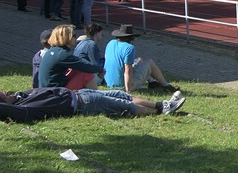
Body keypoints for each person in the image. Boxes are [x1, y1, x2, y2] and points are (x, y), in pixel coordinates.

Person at [0, 87, 185, 122]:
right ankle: (159, 112)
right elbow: (14, 112)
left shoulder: (19, 95)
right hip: (82, 103)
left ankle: (162, 105)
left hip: (79, 93)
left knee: (121, 95)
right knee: (123, 105)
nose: (3, 91)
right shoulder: (22, 107)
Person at [103, 24, 178, 94]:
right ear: (131, 38)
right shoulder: (129, 48)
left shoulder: (111, 43)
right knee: (149, 62)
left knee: (139, 60)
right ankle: (166, 86)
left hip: (109, 82)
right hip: (122, 86)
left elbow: (107, 59)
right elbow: (127, 70)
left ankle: (152, 82)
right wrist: (128, 90)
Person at [37, 24, 106, 90]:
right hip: (55, 92)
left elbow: (79, 63)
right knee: (86, 74)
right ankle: (96, 99)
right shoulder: (62, 54)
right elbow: (85, 65)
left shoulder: (54, 50)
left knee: (76, 70)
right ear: (66, 37)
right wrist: (100, 69)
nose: (75, 37)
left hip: (47, 89)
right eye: (73, 35)